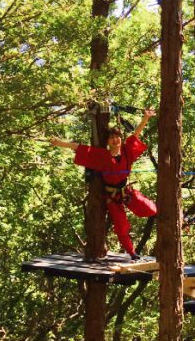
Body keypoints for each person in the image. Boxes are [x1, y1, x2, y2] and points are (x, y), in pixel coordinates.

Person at [50, 110, 158, 258]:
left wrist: (146, 118)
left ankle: (168, 213)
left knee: (150, 209)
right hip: (112, 197)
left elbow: (136, 134)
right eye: (111, 138)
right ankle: (132, 252)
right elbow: (79, 147)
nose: (115, 140)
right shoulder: (101, 156)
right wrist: (59, 143)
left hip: (127, 192)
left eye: (117, 137)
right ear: (107, 141)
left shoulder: (126, 152)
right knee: (121, 226)